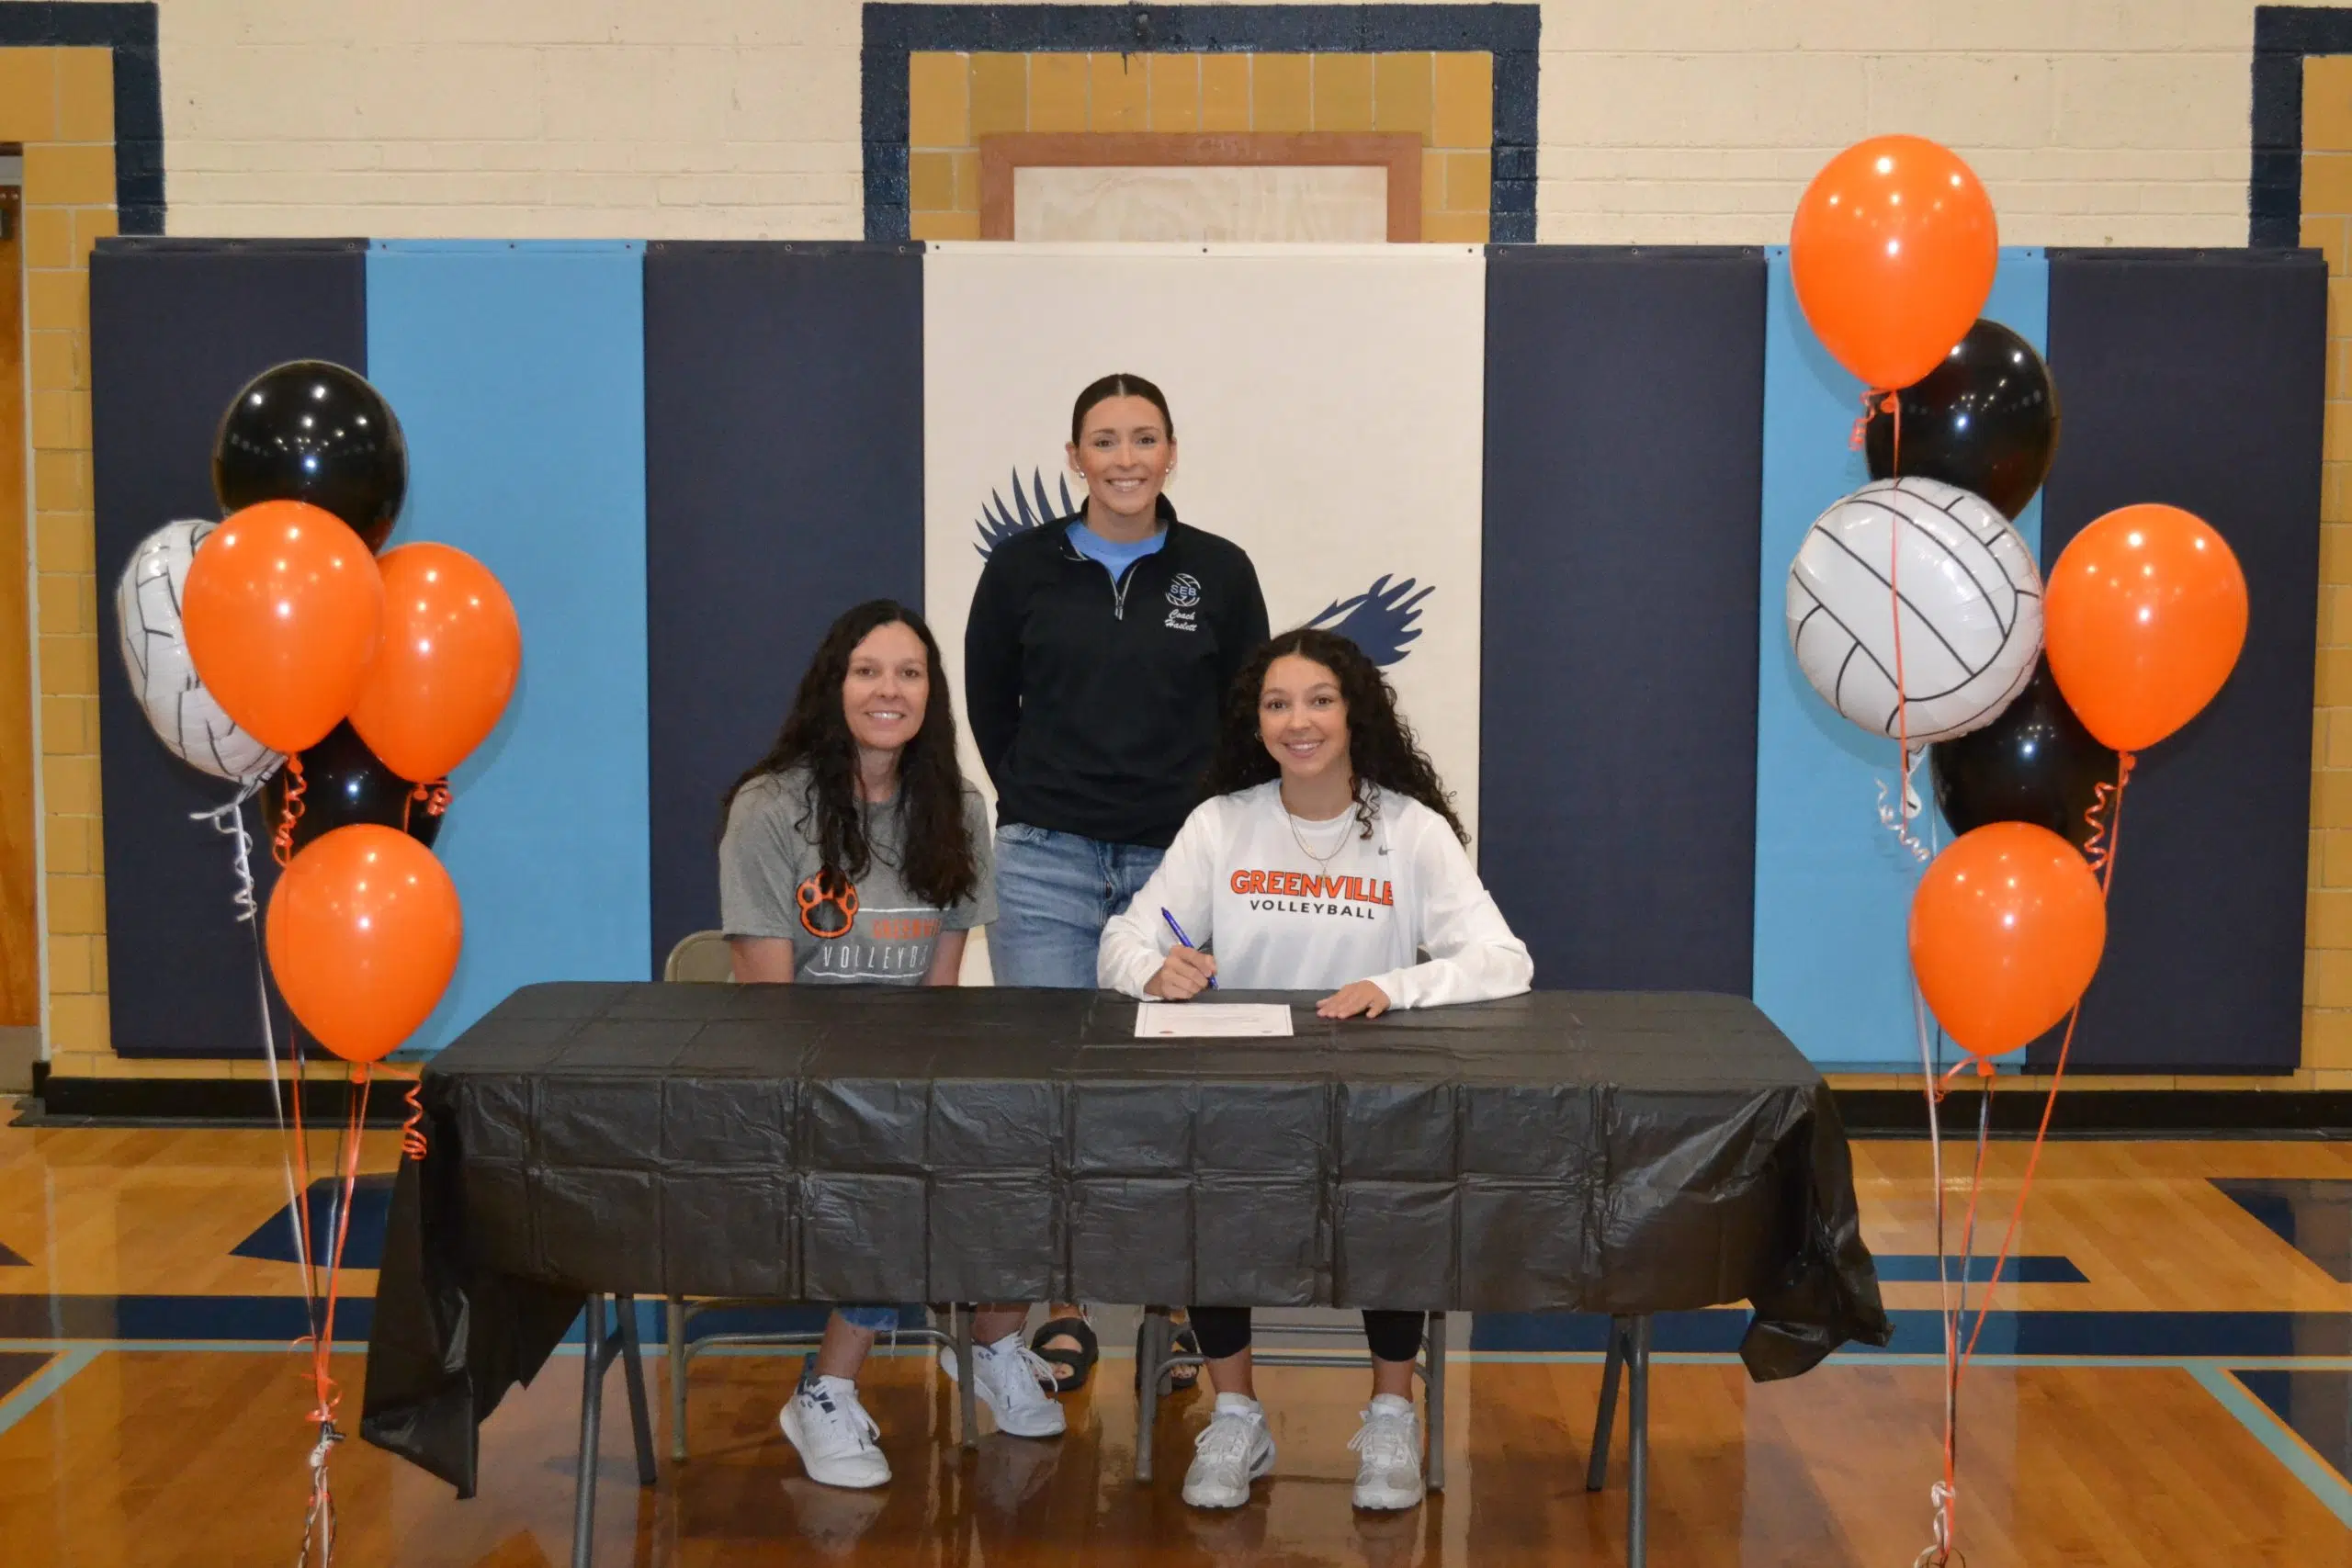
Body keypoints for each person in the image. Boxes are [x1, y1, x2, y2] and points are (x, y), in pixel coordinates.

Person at [1098, 626, 1533, 1512]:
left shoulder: (1410, 830)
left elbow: (1505, 960)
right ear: (1255, 722)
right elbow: (1125, 938)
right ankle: (1237, 1414)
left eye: (1319, 700)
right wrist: (1154, 967)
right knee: (1205, 1198)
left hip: (1370, 1094)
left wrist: (1393, 983)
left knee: (1398, 1201)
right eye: (1277, 703)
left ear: (1354, 711)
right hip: (1243, 1092)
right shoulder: (1222, 823)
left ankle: (1390, 1414)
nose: (1298, 721)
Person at [964, 372, 1270, 1390]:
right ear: (1074, 457)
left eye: (1144, 438)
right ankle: (1061, 1302)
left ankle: (1172, 1308)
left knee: (1165, 1093)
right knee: (1052, 1088)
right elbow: (987, 706)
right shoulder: (1020, 569)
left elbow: (1248, 717)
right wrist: (1050, 800)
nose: (1125, 458)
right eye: (1105, 440)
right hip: (1046, 857)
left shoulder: (1218, 571)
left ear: (1171, 453)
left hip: (1175, 869)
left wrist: (1191, 836)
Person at [720, 598, 1065, 1490]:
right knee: (894, 1158)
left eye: (909, 673)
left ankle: (993, 1342)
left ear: (930, 695)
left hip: (902, 1065)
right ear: (833, 686)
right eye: (868, 671)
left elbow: (939, 992)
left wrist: (923, 1091)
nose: (888, 690)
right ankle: (825, 1389)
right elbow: (767, 1004)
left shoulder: (957, 809)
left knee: (1026, 1127)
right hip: (794, 1072)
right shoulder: (769, 809)